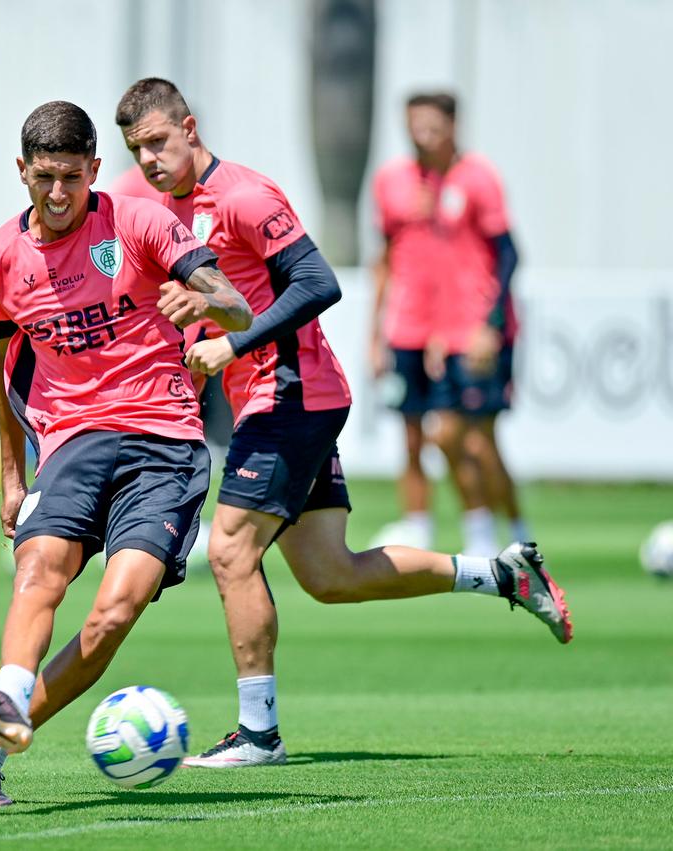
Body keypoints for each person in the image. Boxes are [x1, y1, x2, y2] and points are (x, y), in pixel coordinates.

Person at [113, 77, 571, 769]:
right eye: (136, 148)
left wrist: (233, 341)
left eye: (156, 142)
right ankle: (502, 574)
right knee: (331, 575)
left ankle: (258, 734)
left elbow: (320, 282)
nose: (148, 159)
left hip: (292, 392)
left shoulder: (243, 195)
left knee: (232, 551)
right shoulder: (159, 204)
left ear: (190, 127)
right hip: (277, 399)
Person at [0, 100, 250, 807]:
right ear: (22, 171)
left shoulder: (137, 221)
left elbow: (238, 308)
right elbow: (3, 365)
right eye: (43, 178)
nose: (56, 194)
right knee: (40, 568)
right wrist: (12, 475)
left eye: (71, 178)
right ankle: (7, 701)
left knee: (112, 613)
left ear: (95, 171)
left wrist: (204, 303)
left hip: (164, 443)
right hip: (71, 439)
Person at [368, 91, 527, 556]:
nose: (421, 136)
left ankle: (517, 530)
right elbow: (385, 259)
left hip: (469, 332)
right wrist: (374, 335)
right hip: (411, 329)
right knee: (416, 436)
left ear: (453, 126)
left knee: (473, 439)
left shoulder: (477, 178)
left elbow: (509, 254)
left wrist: (489, 324)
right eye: (413, 125)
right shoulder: (392, 182)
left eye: (431, 126)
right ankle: (432, 529)